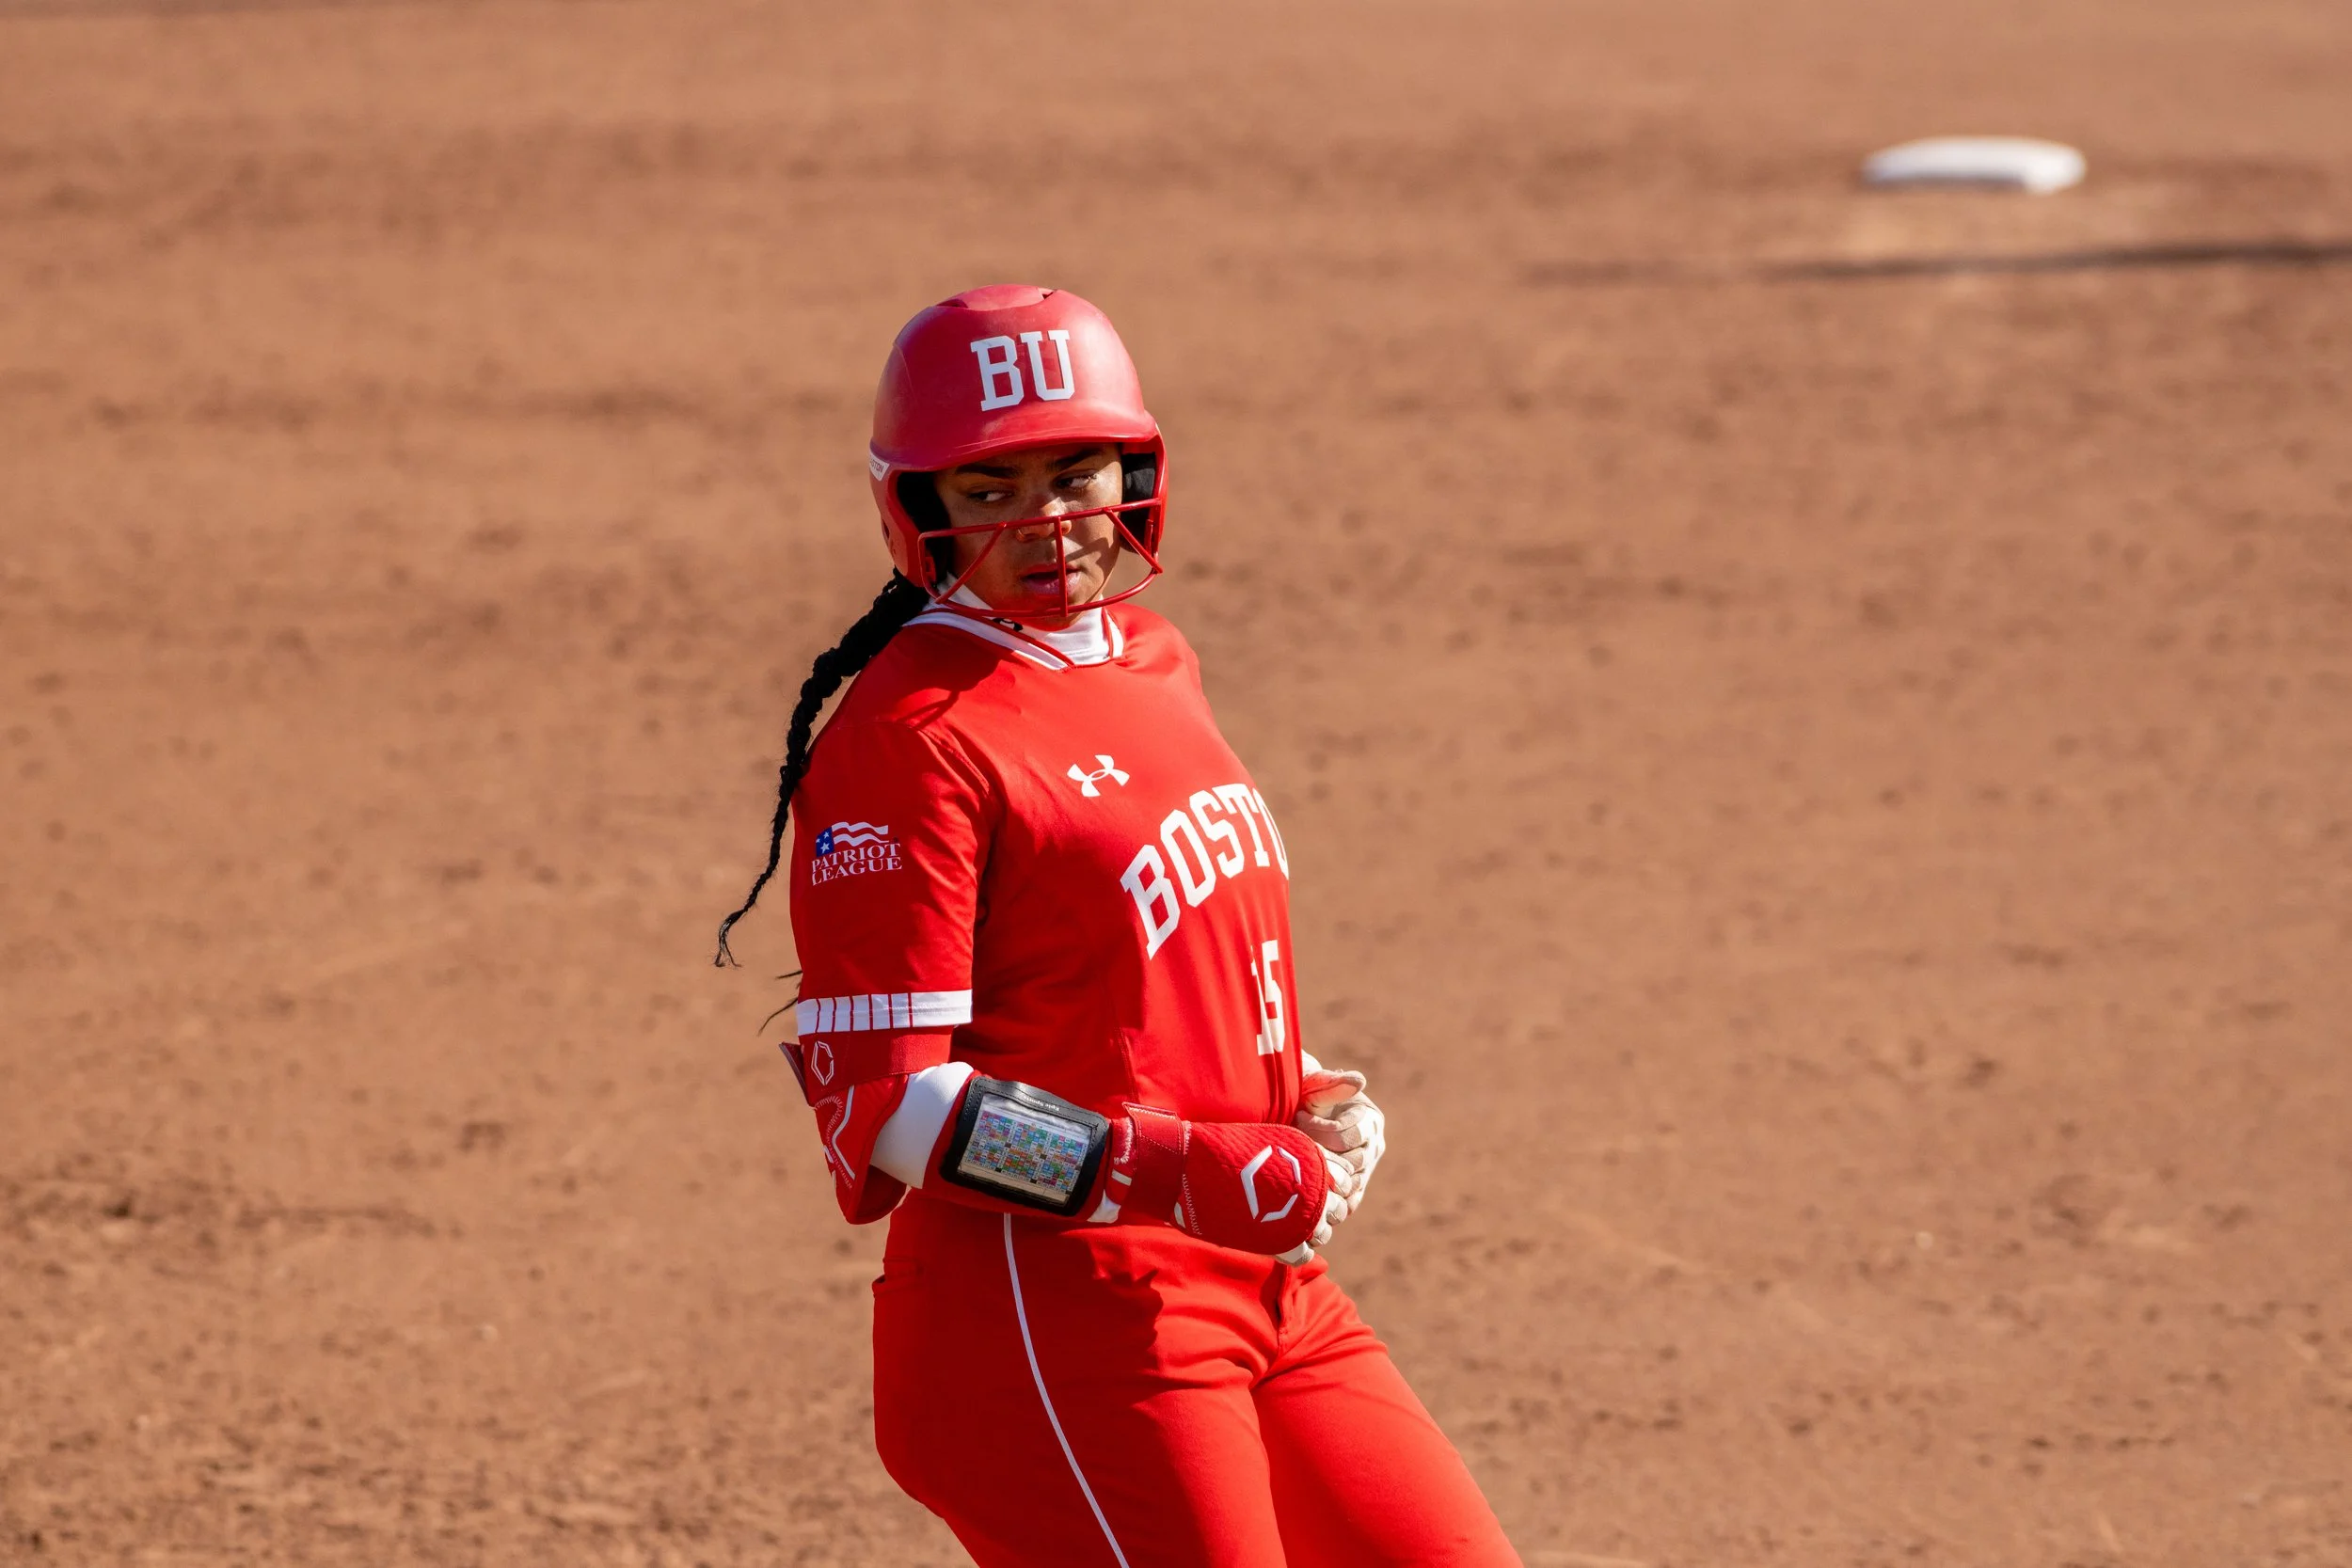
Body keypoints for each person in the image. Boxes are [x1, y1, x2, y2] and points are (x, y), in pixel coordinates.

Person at [717, 285, 1520, 1567]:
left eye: (1074, 473)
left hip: (1264, 1288)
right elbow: (891, 1105)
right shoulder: (909, 740)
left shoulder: (1152, 658)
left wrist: (1297, 1092)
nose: (1045, 520)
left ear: (1133, 473)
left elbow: (1144, 972)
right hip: (1060, 1318)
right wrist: (1185, 1171)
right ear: (917, 506)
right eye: (991, 487)